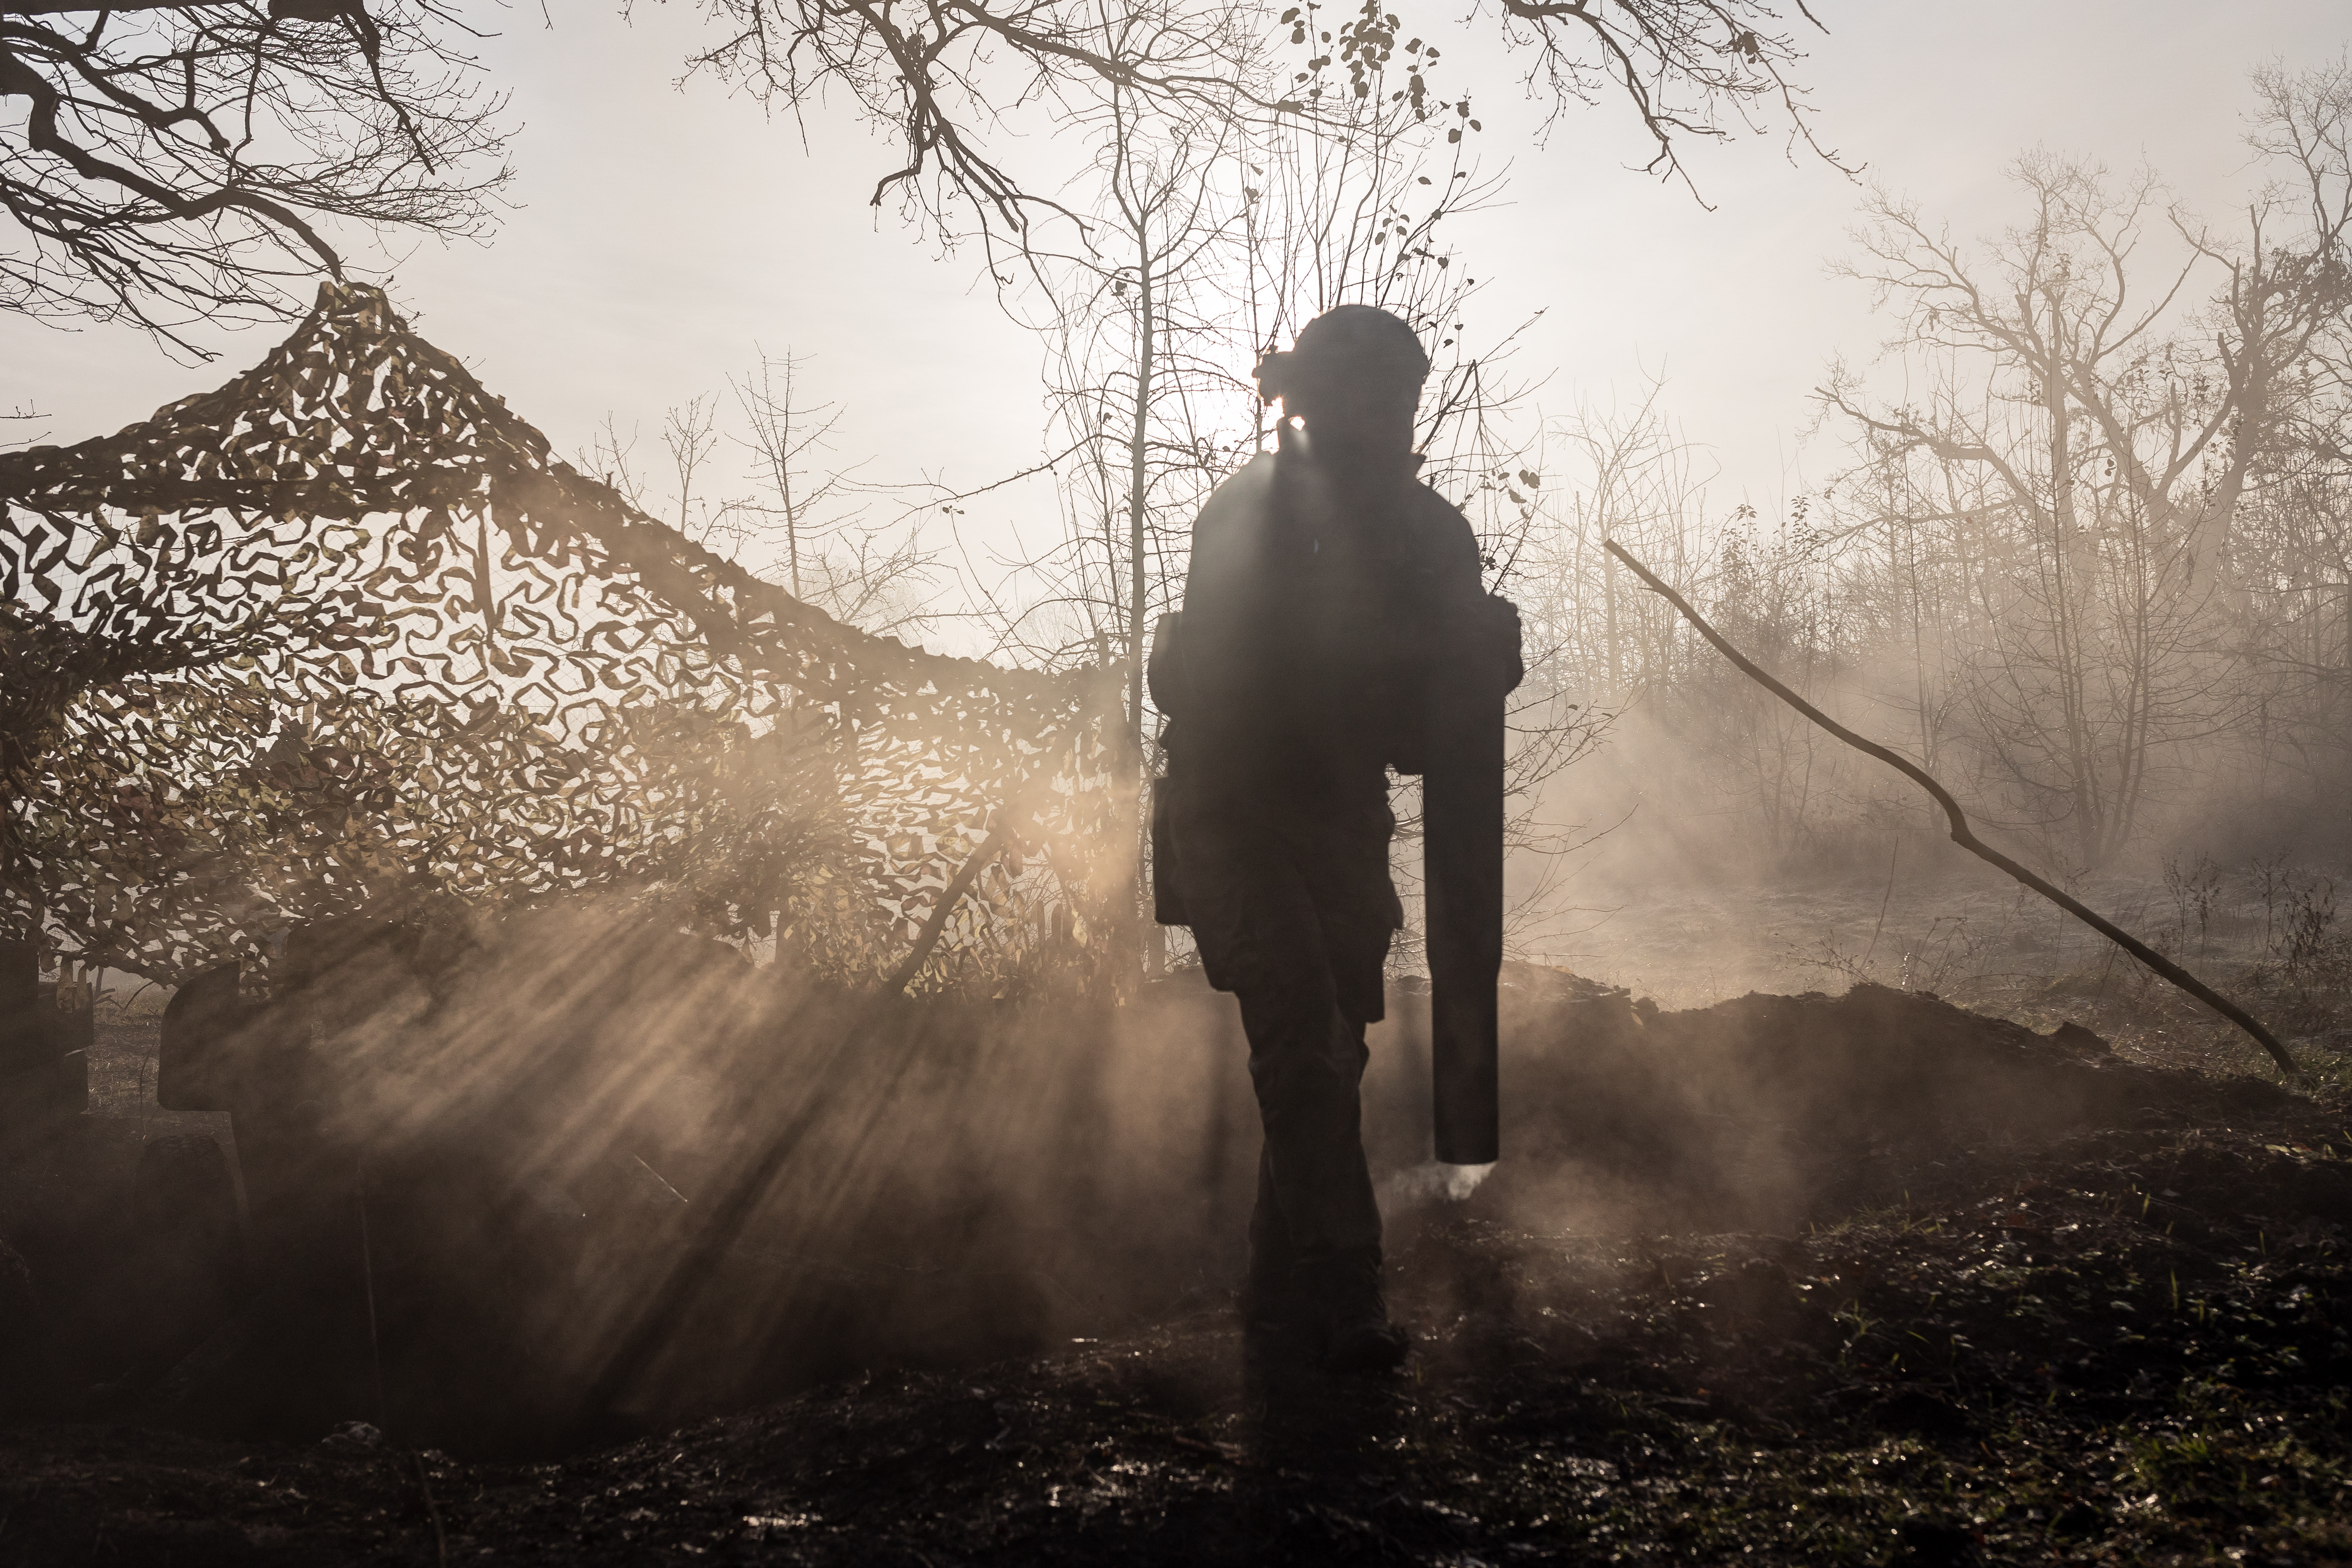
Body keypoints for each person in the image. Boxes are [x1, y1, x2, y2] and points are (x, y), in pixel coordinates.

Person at [1150, 305, 1520, 1372]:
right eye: (1368, 397)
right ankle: (1349, 1289)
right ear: (1308, 399)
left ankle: (1275, 1302)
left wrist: (1476, 666)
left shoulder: (1432, 534)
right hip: (1233, 811)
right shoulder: (1246, 515)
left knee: (1329, 1054)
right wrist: (1410, 656)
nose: (1390, 420)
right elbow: (1214, 684)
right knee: (1304, 1041)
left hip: (1341, 826)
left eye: (1403, 399)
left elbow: (1419, 738)